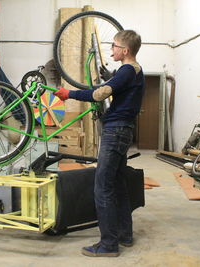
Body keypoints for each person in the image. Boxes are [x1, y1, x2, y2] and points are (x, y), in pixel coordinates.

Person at [54, 30, 145, 257]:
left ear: (125, 51)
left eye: (114, 46)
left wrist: (70, 94)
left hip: (115, 132)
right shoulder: (133, 71)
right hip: (123, 131)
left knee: (102, 187)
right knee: (119, 184)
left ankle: (108, 245)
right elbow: (116, 86)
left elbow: (99, 95)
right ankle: (124, 235)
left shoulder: (127, 70)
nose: (111, 49)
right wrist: (110, 78)